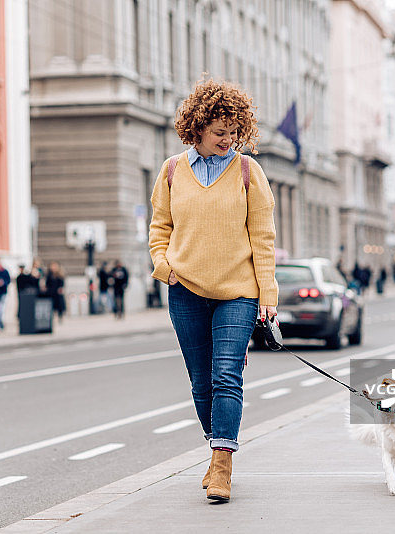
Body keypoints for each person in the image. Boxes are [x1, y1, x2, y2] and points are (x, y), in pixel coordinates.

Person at [149, 79, 277, 502]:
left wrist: (268, 297)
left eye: (235, 131)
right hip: (184, 289)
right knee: (200, 381)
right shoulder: (171, 172)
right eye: (220, 132)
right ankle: (215, 445)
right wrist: (163, 265)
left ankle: (222, 464)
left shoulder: (247, 172)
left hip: (237, 293)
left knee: (226, 376)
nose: (229, 139)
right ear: (198, 128)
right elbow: (160, 226)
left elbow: (262, 237)